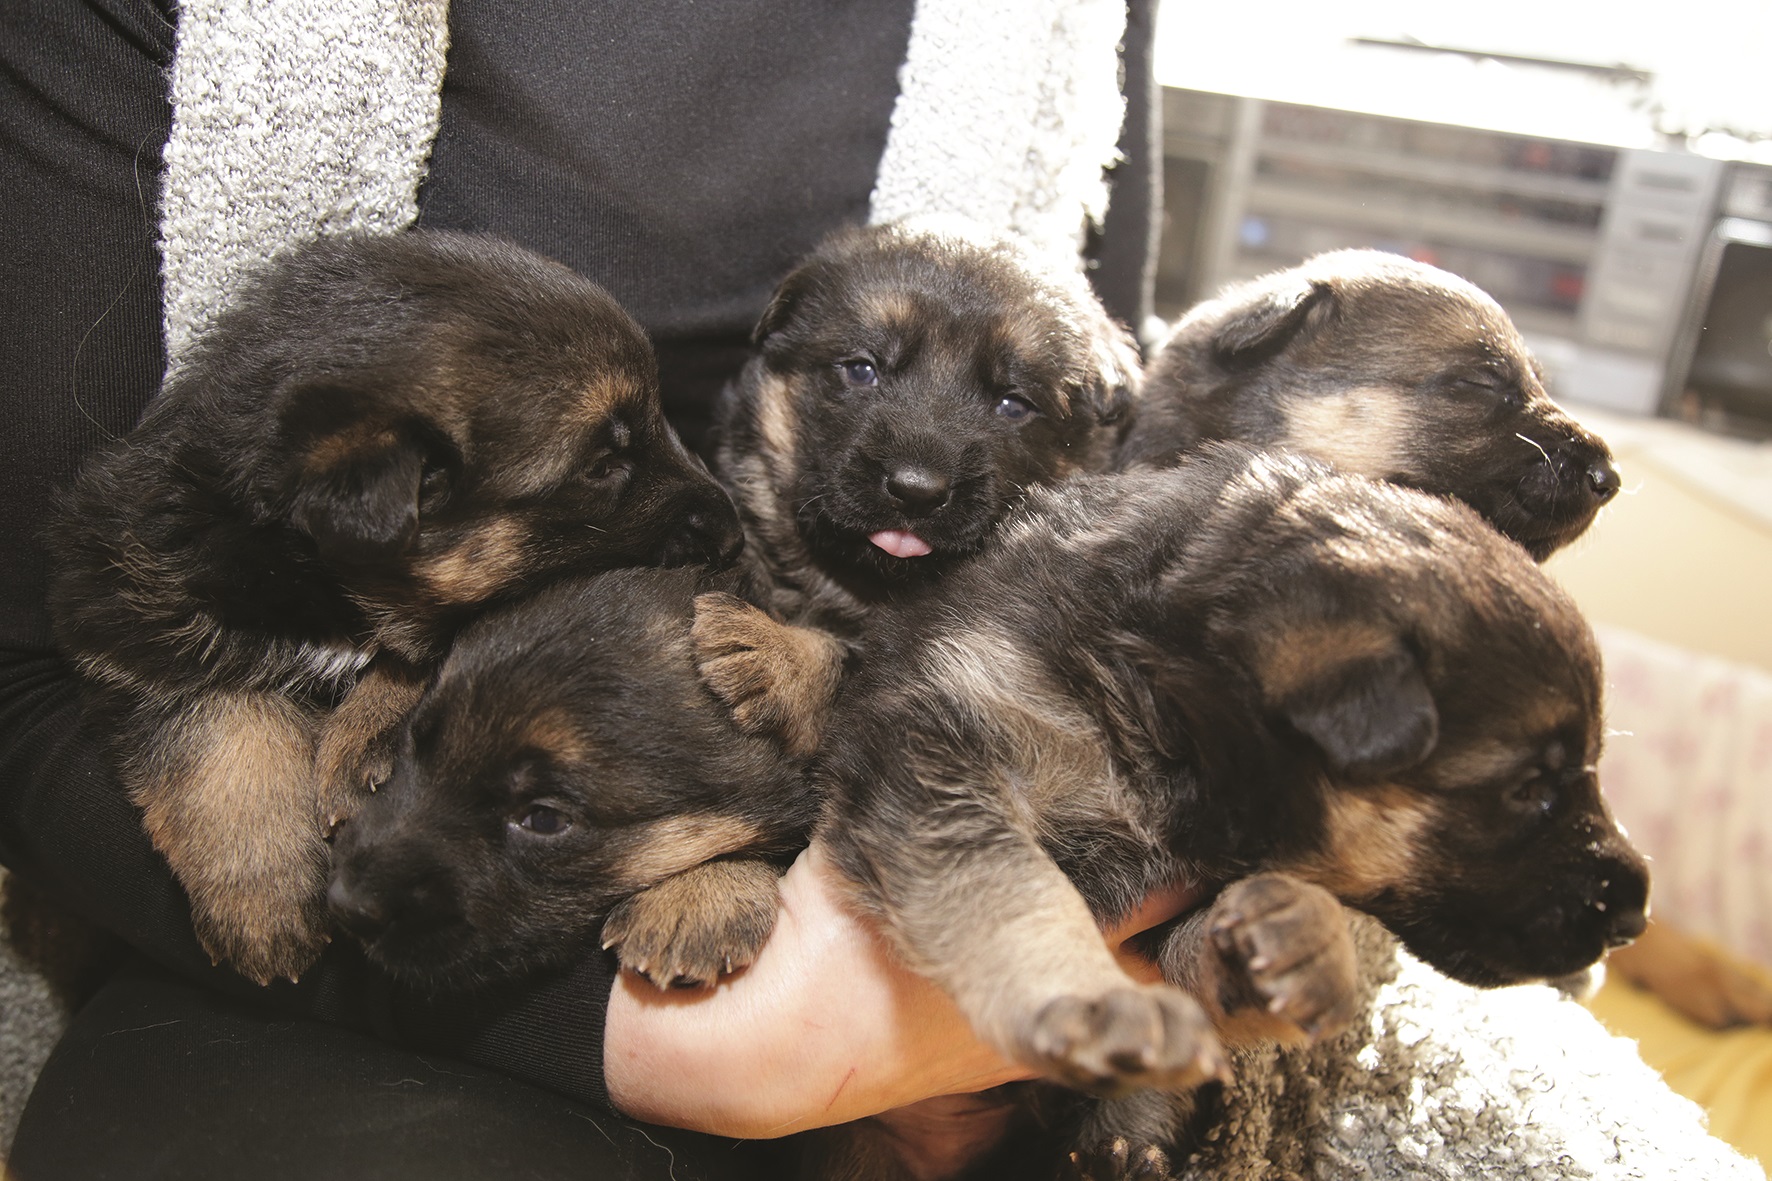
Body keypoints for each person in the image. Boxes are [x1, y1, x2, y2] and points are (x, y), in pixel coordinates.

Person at [0, 0, 1165, 1176]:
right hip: (376, 927)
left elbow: (1123, 431)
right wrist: (702, 1048)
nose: (916, 461)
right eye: (859, 368)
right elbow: (44, 657)